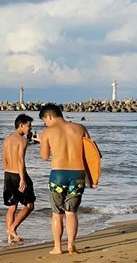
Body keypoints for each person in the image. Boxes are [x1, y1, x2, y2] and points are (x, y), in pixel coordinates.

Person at [38, 103, 99, 254]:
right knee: (71, 212)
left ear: (50, 116)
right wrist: (92, 179)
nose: (45, 123)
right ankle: (71, 245)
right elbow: (91, 154)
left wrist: (42, 141)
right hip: (78, 174)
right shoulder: (80, 128)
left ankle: (58, 247)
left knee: (57, 212)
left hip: (58, 175)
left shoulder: (47, 132)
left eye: (44, 120)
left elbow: (44, 157)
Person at [2, 114, 36, 244]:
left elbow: (4, 161)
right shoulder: (23, 140)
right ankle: (12, 229)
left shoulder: (7, 140)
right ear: (21, 125)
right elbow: (21, 160)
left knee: (12, 207)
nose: (30, 128)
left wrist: (8, 173)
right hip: (18, 175)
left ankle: (10, 238)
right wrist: (22, 179)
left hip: (8, 175)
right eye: (29, 125)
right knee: (29, 205)